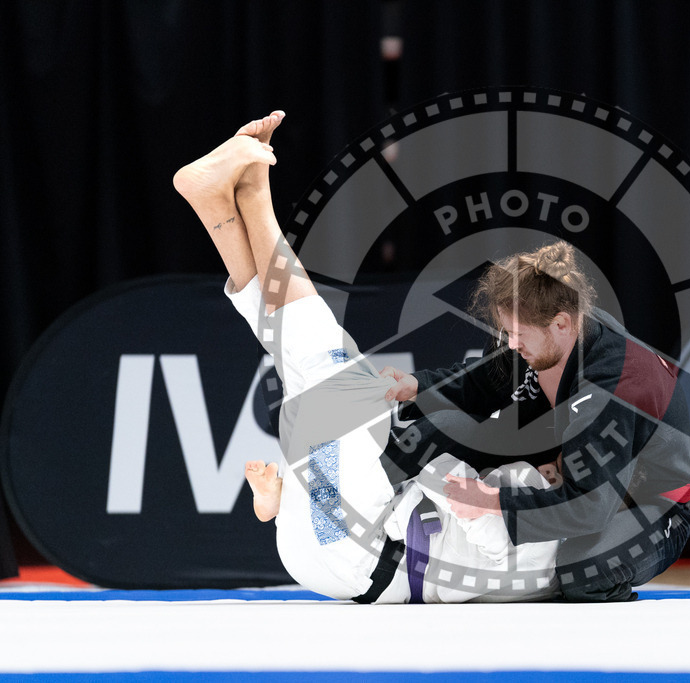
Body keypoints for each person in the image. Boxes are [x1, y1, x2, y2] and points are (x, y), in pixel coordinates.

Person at [173, 112, 560, 603]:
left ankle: (253, 192)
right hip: (342, 547)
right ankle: (226, 200)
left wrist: (446, 463)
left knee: (331, 369)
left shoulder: (550, 526)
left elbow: (474, 518)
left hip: (360, 550)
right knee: (310, 368)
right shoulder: (542, 497)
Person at [381, 242, 690, 601]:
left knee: (583, 570)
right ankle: (357, 499)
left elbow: (589, 506)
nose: (510, 344)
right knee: (445, 428)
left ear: (561, 324)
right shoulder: (545, 332)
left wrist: (493, 500)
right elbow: (482, 381)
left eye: (518, 336)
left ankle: (563, 586)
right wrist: (417, 387)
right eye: (506, 332)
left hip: (651, 498)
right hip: (569, 458)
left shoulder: (616, 385)